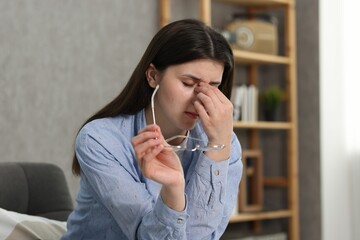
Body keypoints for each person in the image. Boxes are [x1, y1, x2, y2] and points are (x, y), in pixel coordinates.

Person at [62, 19, 242, 240]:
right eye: (188, 83)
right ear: (153, 76)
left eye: (213, 87)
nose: (201, 99)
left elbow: (199, 236)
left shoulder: (225, 144)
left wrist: (217, 149)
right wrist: (174, 192)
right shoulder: (100, 140)